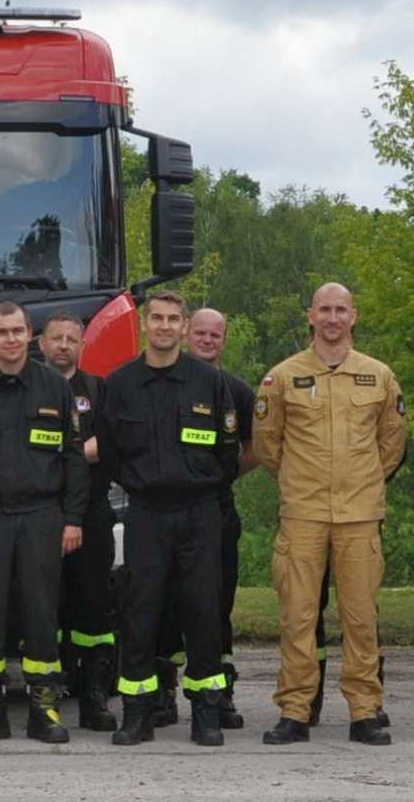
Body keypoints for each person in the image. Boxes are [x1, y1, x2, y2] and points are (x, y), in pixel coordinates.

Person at [255, 282, 408, 745]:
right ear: (311, 316)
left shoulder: (379, 376)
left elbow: (392, 442)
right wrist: (301, 481)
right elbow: (268, 445)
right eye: (325, 309)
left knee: (360, 618)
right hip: (303, 515)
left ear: (353, 316)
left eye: (341, 309)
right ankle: (295, 711)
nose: (333, 318)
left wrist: (363, 481)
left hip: (359, 515)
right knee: (297, 616)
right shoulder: (282, 377)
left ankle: (364, 710)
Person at [99, 292, 246, 746]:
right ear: (145, 325)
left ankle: (205, 711)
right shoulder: (120, 383)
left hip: (199, 511)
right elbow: (110, 452)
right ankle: (137, 713)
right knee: (140, 613)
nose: (164, 326)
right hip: (145, 512)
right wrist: (143, 482)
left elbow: (228, 450)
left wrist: (197, 482)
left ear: (184, 327)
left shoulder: (209, 382)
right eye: (157, 318)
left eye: (173, 319)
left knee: (203, 611)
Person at [0, 301, 87, 745]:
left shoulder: (54, 387)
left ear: (31, 336)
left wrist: (73, 519)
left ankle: (44, 709)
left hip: (41, 516)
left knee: (41, 614)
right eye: (2, 332)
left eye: (18, 331)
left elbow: (74, 458)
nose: (11, 339)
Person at [41, 313, 120, 733]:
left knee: (94, 606)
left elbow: (111, 440)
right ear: (42, 344)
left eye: (72, 339)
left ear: (82, 346)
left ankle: (94, 698)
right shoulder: (30, 386)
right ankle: (48, 694)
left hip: (91, 513)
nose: (64, 345)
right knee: (44, 607)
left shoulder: (98, 390)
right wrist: (75, 451)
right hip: (40, 513)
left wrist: (64, 453)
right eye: (56, 338)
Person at [185, 306, 253, 732]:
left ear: (224, 340)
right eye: (201, 333)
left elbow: (258, 447)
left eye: (215, 334)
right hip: (164, 511)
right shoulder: (165, 381)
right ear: (186, 334)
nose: (207, 340)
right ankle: (161, 691)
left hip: (217, 510)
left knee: (216, 606)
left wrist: (223, 475)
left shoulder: (237, 390)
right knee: (163, 605)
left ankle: (220, 690)